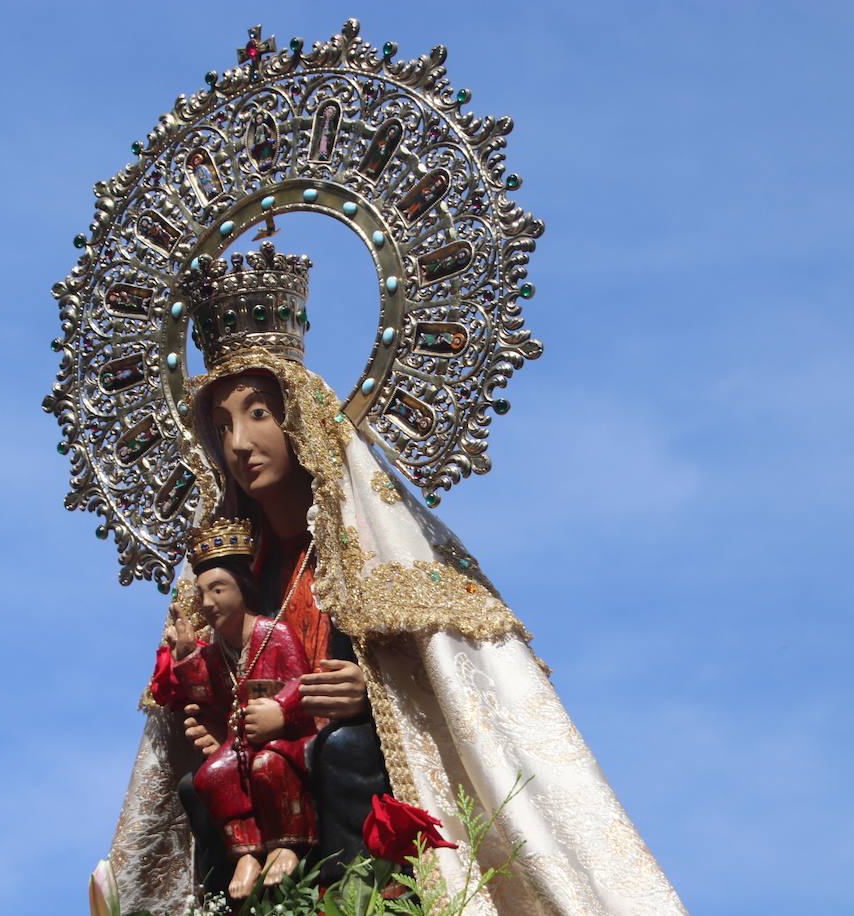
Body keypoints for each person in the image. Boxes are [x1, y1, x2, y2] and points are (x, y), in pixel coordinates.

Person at [106, 244, 687, 915]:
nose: (239, 443)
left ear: (303, 419)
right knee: (199, 788)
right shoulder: (229, 571)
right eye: (222, 424)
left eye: (258, 413)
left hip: (349, 784)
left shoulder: (376, 549)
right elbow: (186, 727)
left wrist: (370, 690)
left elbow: (444, 696)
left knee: (345, 751)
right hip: (260, 794)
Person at [149, 519, 316, 897]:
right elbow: (207, 692)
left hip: (286, 739)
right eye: (203, 593)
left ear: (243, 588)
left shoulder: (275, 634)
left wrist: (280, 711)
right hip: (241, 741)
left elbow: (299, 683)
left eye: (219, 589)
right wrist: (187, 653)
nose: (209, 604)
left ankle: (286, 844)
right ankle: (246, 852)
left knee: (267, 766)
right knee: (211, 776)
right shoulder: (218, 650)